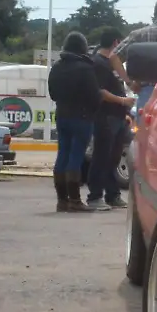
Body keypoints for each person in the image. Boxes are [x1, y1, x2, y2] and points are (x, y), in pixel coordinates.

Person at [47, 32, 103, 212]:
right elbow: (95, 96)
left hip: (62, 115)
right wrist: (92, 112)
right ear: (82, 48)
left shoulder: (56, 67)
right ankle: (75, 200)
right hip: (82, 117)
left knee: (62, 154)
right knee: (76, 156)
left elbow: (53, 94)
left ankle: (62, 200)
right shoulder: (85, 68)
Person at [86, 27, 135, 211]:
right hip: (105, 116)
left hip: (118, 116)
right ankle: (95, 196)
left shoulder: (109, 63)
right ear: (116, 42)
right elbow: (100, 92)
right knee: (101, 157)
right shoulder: (98, 63)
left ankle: (113, 194)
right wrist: (123, 101)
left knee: (113, 157)